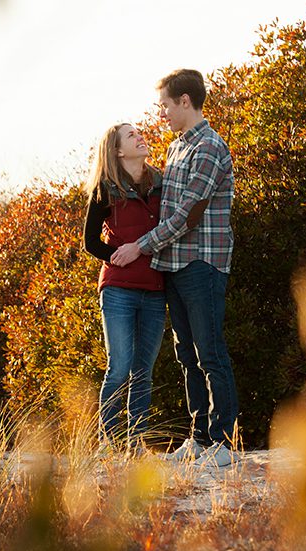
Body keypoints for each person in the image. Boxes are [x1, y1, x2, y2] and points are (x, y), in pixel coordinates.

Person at [112, 69, 238, 468]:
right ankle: (199, 437)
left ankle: (224, 443)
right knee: (187, 354)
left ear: (185, 102)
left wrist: (139, 247)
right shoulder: (176, 148)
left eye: (166, 105)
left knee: (211, 352)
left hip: (202, 263)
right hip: (175, 265)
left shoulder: (209, 148)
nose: (162, 113)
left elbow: (187, 216)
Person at [83, 123, 166, 453]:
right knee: (119, 367)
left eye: (139, 132)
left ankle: (137, 443)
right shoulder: (105, 189)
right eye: (131, 136)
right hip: (118, 289)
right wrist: (118, 257)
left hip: (156, 289)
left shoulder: (161, 182)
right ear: (118, 151)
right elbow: (90, 242)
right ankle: (109, 442)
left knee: (143, 371)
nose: (140, 136)